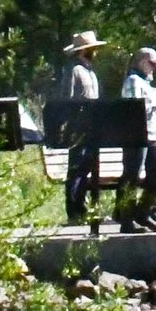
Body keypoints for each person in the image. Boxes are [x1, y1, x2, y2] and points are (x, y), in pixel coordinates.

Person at [114, 46, 156, 232]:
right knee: (131, 176)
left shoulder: (148, 85)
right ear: (141, 62)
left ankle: (142, 212)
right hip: (136, 135)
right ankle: (126, 221)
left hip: (154, 135)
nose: (155, 67)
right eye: (152, 63)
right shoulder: (133, 81)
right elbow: (133, 108)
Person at [57, 31, 106, 226]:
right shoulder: (73, 69)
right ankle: (73, 213)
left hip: (93, 127)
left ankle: (84, 209)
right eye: (93, 49)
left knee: (87, 169)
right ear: (85, 50)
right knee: (76, 170)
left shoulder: (90, 71)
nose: (96, 52)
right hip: (78, 127)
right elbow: (66, 98)